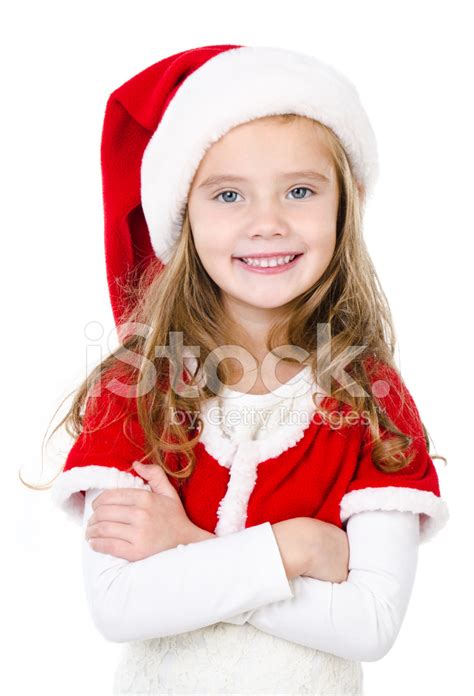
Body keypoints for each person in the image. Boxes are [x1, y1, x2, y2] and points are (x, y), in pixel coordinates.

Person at [47, 44, 449, 695]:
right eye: (229, 194)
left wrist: (191, 548)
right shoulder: (136, 387)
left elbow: (371, 623)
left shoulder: (373, 398)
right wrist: (296, 546)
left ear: (344, 207)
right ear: (184, 216)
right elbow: (121, 604)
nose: (267, 223)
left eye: (299, 191)